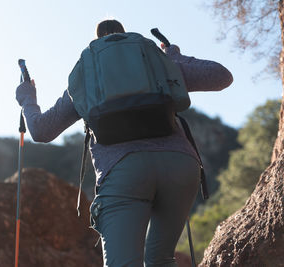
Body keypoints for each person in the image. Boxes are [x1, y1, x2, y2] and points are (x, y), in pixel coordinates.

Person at [15, 19, 233, 267]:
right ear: (126, 36)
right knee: (161, 259)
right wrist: (174, 57)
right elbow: (222, 77)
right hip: (180, 166)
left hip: (123, 171)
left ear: (97, 42)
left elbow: (42, 130)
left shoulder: (87, 73)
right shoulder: (156, 61)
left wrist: (27, 99)